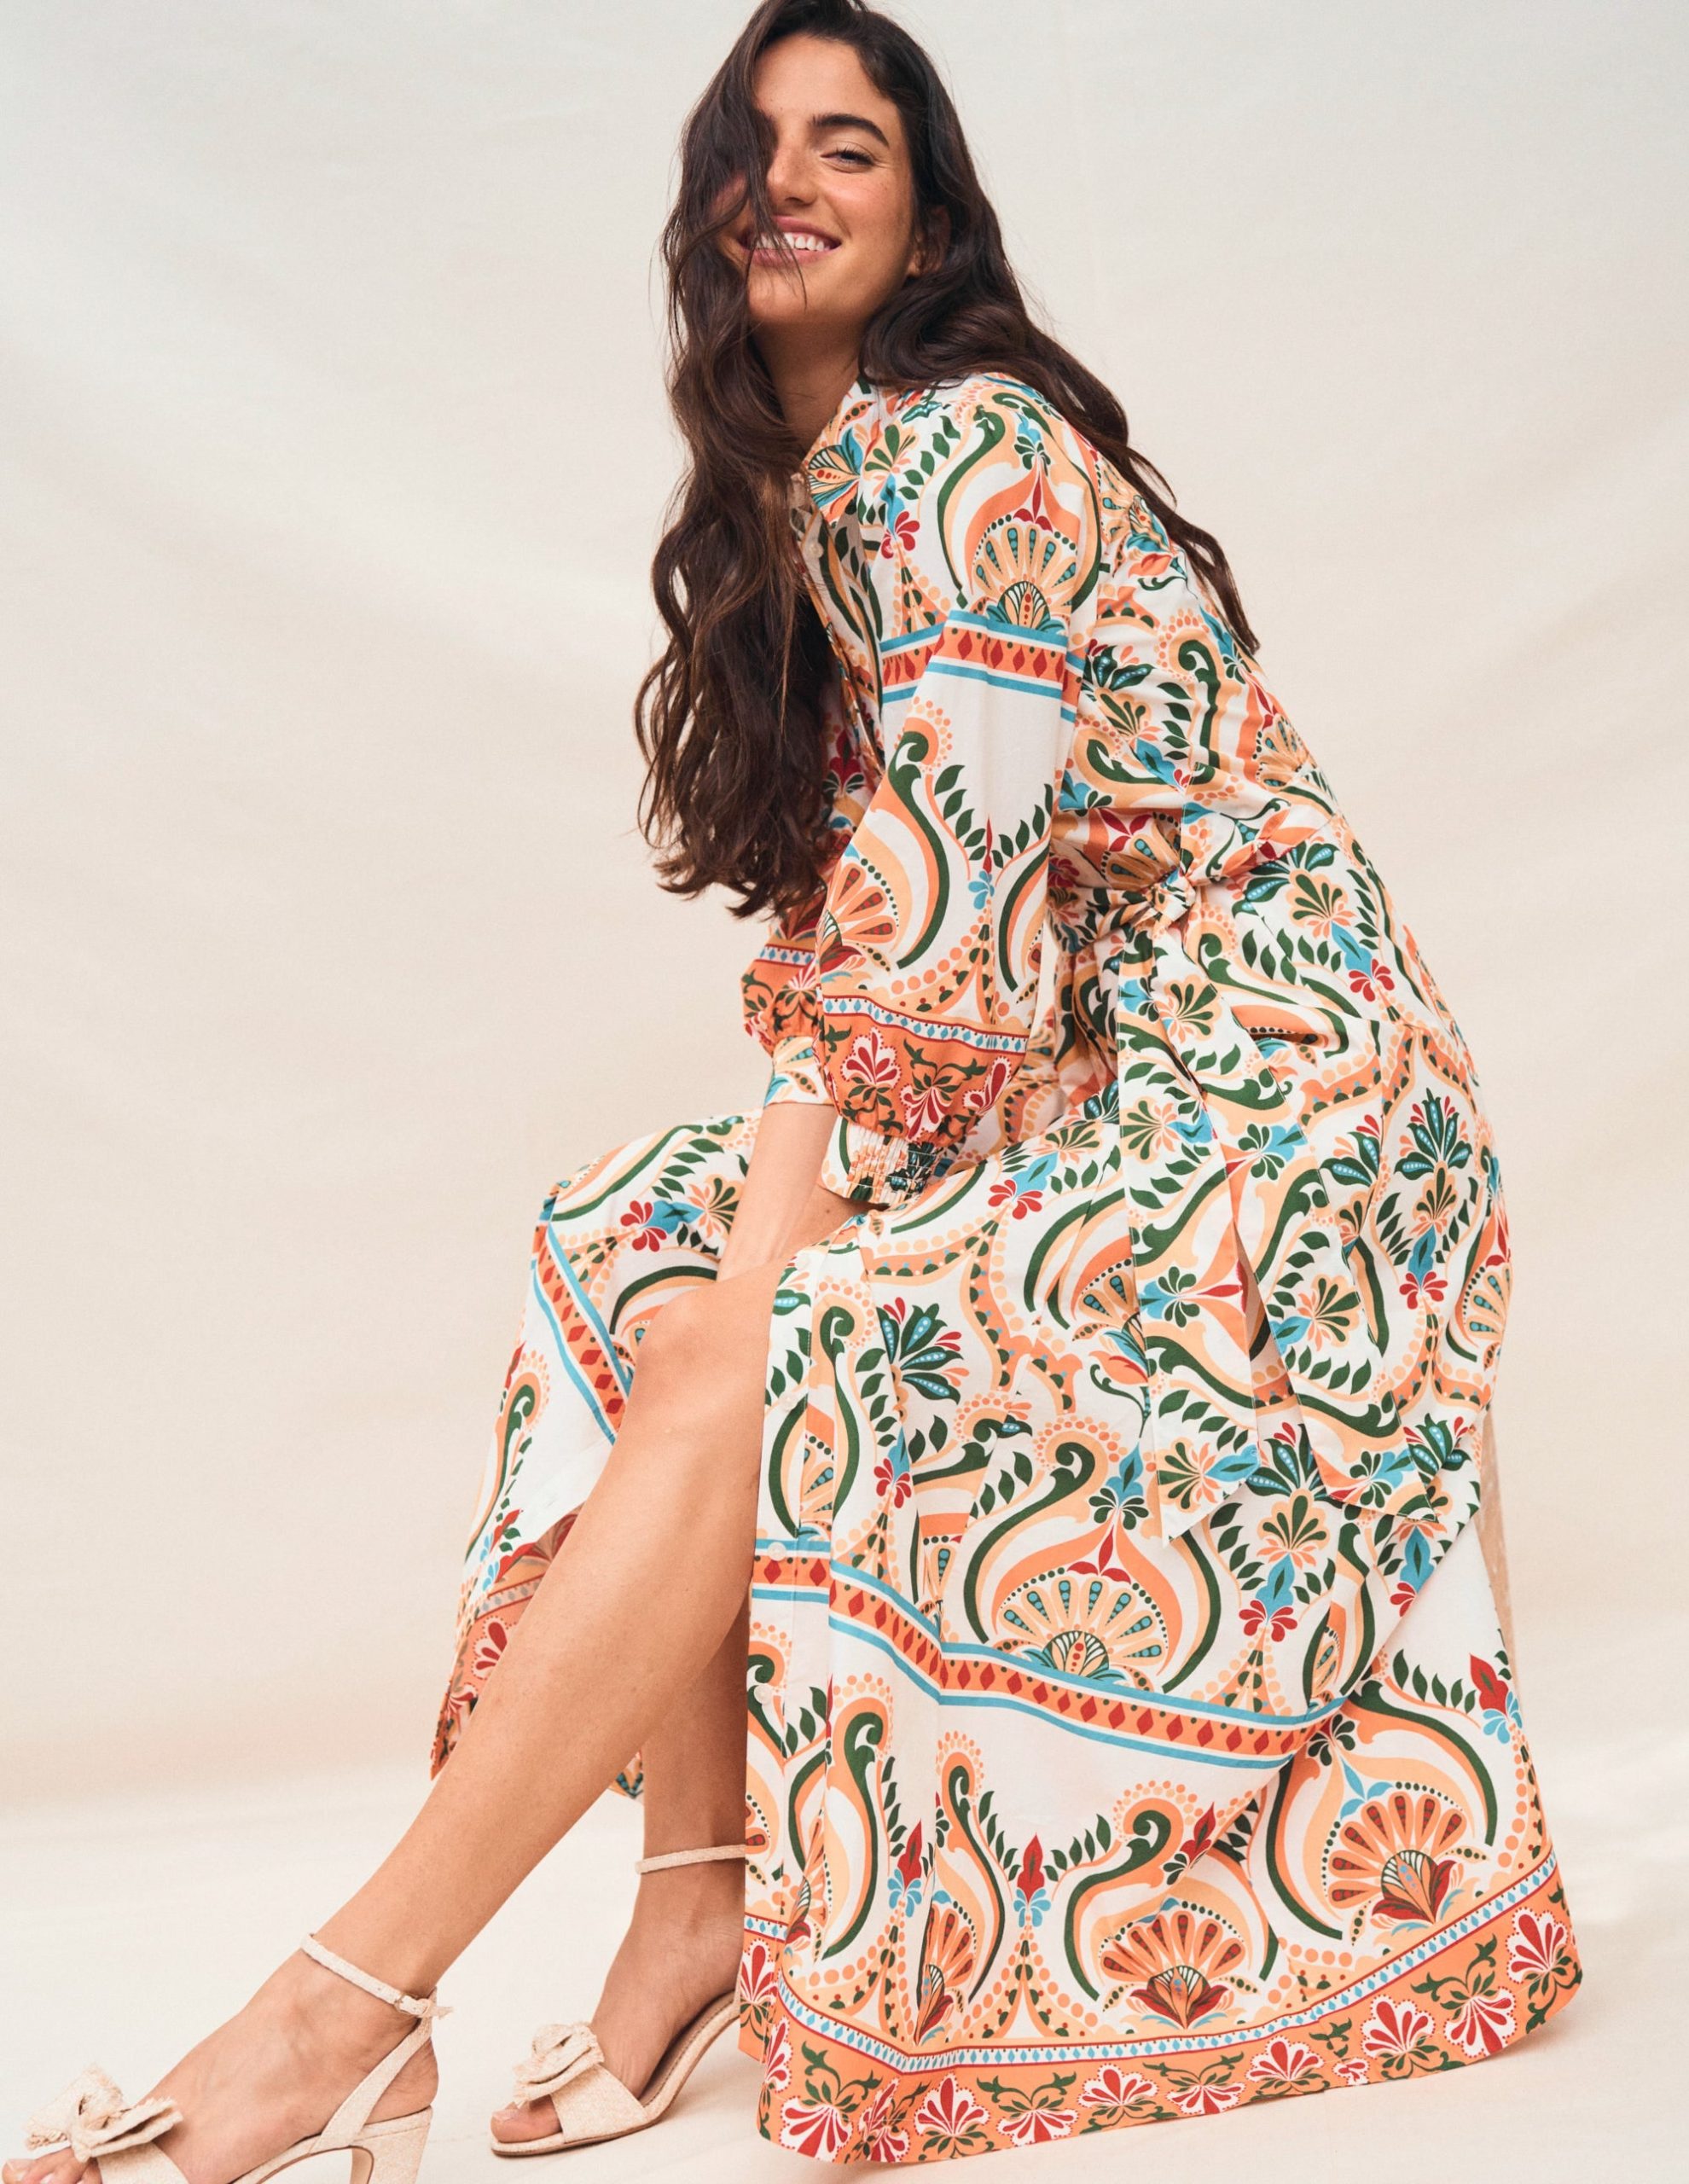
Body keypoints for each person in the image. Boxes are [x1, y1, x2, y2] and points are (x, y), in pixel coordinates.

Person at [9, 2, 1583, 2176]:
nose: (793, 179)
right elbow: (887, 920)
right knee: (634, 1242)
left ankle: (339, 2007)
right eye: (754, 145)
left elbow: (942, 927)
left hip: (1290, 1106)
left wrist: (779, 1258)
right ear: (706, 213)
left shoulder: (963, 450)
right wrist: (751, 1240)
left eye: (852, 144)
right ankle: (688, 1912)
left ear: (927, 221)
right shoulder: (815, 493)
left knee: (763, 1315)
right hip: (1099, 1061)